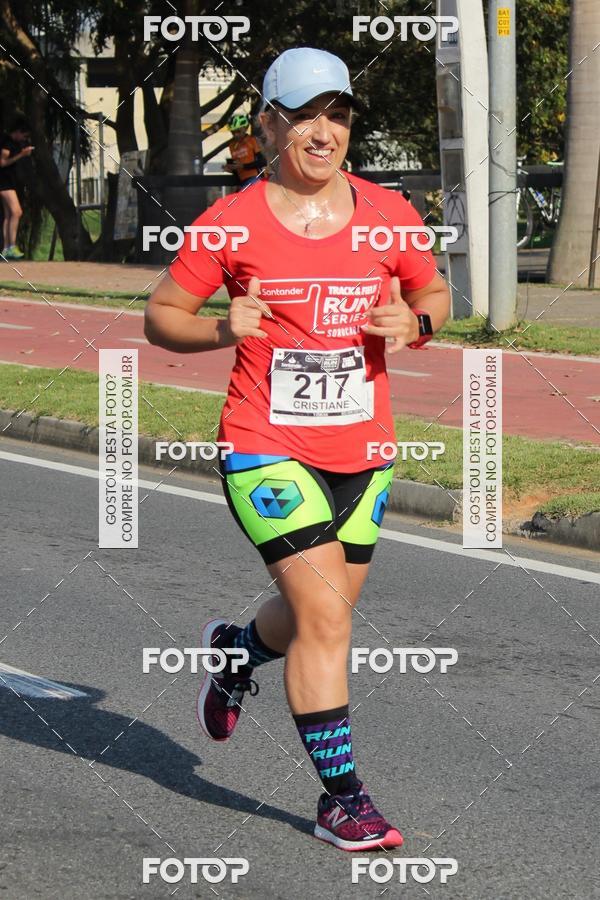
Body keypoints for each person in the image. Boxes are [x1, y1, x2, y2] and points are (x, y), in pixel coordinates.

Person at [145, 47, 451, 852]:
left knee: (323, 613)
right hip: (265, 445)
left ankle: (236, 653)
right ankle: (341, 802)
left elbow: (435, 292)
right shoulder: (232, 222)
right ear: (270, 123)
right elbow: (161, 315)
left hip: (364, 452)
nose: (325, 131)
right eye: (307, 114)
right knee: (326, 621)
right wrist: (218, 328)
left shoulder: (388, 212)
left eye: (339, 114)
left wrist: (414, 323)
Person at [0, 116, 33, 259]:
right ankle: (11, 246)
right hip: (4, 182)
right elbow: (2, 162)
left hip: (8, 181)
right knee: (17, 212)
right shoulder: (7, 142)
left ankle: (7, 248)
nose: (23, 138)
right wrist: (21, 155)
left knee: (9, 214)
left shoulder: (12, 142)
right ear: (18, 131)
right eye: (24, 135)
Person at [223, 113, 266, 190]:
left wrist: (243, 166)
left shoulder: (252, 141)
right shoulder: (232, 146)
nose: (236, 134)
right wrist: (231, 168)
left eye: (238, 131)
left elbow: (263, 161)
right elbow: (238, 168)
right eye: (233, 132)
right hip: (241, 180)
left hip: (255, 178)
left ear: (245, 128)